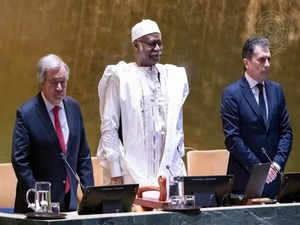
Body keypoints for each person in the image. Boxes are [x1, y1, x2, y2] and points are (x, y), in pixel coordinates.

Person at [97, 19, 189, 191]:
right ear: (136, 45)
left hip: (165, 171)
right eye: (152, 44)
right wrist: (115, 171)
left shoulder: (172, 76)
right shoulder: (121, 77)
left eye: (160, 44)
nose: (157, 49)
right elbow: (109, 126)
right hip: (130, 170)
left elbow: (177, 129)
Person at [11, 54, 94, 213]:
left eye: (63, 82)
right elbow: (19, 160)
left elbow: (83, 155)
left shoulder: (74, 108)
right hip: (37, 208)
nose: (59, 88)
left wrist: (90, 195)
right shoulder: (26, 113)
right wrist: (37, 197)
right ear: (42, 83)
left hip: (68, 203)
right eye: (54, 82)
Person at [221, 37, 293, 198]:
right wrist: (259, 169)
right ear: (246, 63)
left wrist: (277, 164)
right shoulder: (232, 94)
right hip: (244, 183)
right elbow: (233, 139)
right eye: (261, 59)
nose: (267, 64)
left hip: (274, 182)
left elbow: (286, 132)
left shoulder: (277, 90)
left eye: (269, 59)